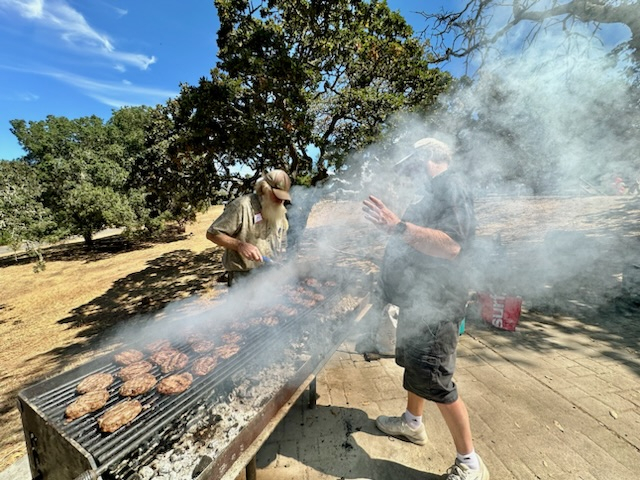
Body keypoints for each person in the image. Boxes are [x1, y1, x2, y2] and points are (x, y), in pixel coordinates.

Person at [362, 138, 489, 480]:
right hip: (417, 300)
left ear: (428, 157)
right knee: (416, 366)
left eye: (412, 163)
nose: (408, 171)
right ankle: (412, 423)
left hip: (437, 304)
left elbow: (451, 246)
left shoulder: (453, 185)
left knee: (437, 379)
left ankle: (469, 463)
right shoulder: (430, 192)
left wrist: (397, 226)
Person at [206, 169, 291, 287]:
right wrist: (239, 245)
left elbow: (282, 239)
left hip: (270, 275)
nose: (281, 201)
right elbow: (212, 233)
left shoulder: (280, 210)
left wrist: (282, 259)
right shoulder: (242, 206)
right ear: (265, 189)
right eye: (277, 196)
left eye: (283, 197)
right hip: (243, 277)